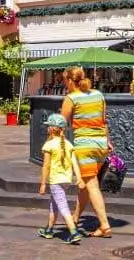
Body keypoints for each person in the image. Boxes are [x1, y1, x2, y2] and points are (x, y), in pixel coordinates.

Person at [60, 66, 113, 237]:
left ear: (69, 81)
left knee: (91, 185)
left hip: (85, 146)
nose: (64, 84)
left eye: (64, 80)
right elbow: (104, 121)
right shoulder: (98, 94)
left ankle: (104, 225)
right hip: (101, 145)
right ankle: (75, 217)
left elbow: (60, 124)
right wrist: (108, 141)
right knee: (85, 186)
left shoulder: (71, 98)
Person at [37, 113, 86, 244]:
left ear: (52, 129)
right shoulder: (68, 144)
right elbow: (75, 163)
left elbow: (46, 166)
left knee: (62, 206)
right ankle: (49, 229)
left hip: (55, 181)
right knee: (54, 205)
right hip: (66, 180)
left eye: (48, 126)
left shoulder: (49, 145)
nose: (47, 128)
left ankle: (73, 232)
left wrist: (42, 183)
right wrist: (79, 178)